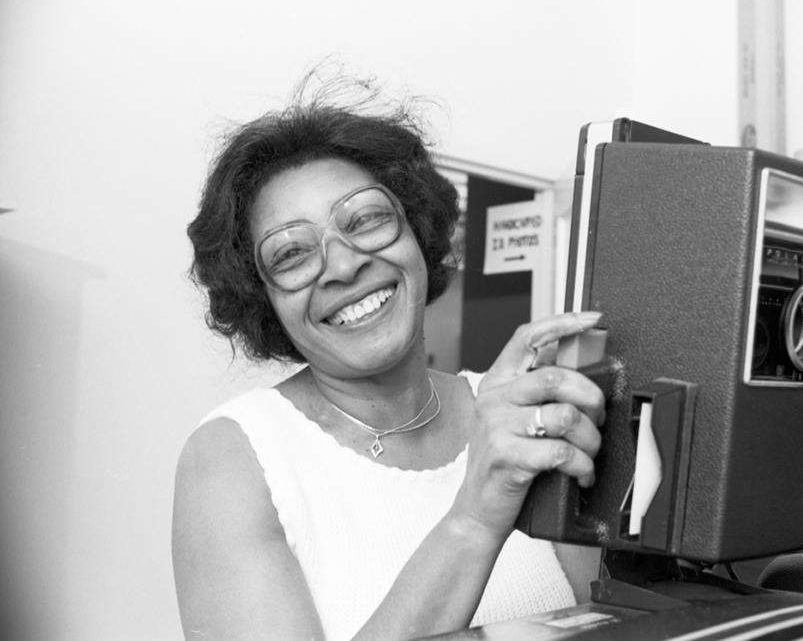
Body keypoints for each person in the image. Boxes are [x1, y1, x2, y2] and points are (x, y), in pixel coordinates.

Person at [172, 82, 606, 640]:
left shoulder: (521, 416)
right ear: (263, 298)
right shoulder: (234, 458)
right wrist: (474, 518)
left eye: (365, 220)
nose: (343, 265)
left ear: (417, 231)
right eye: (292, 254)